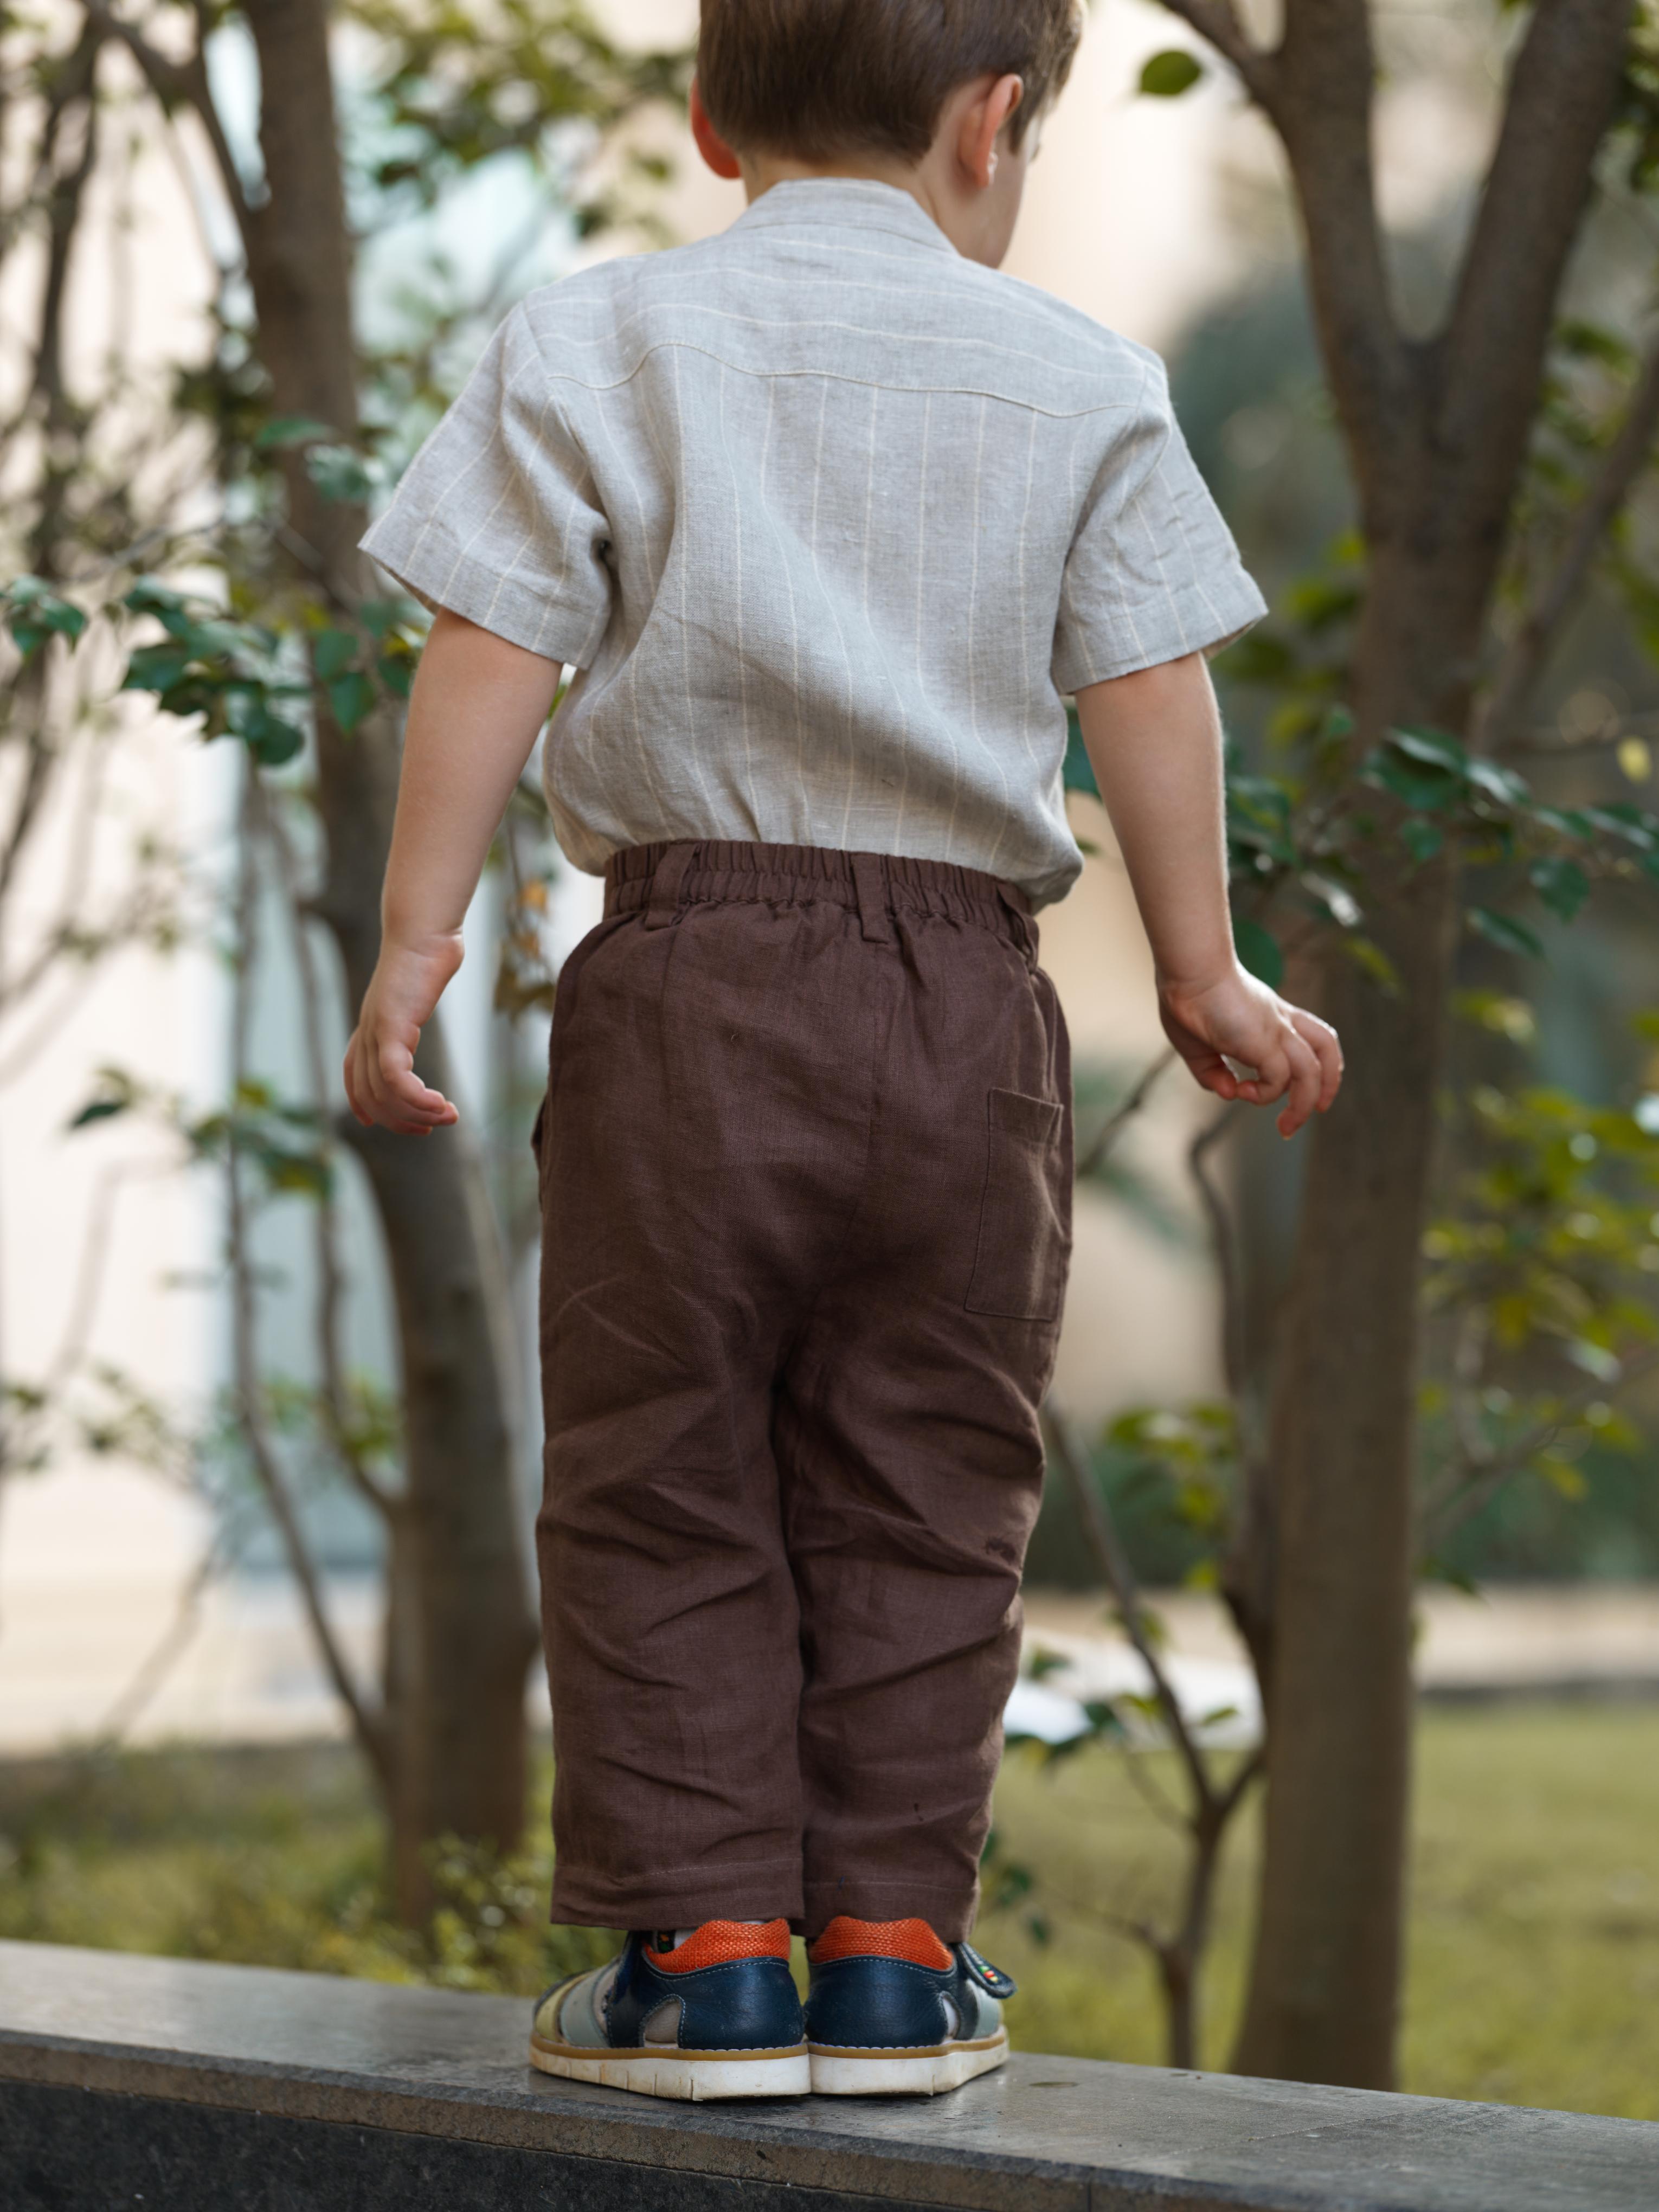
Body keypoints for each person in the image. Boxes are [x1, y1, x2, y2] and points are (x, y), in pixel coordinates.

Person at [344, 0, 1343, 2104]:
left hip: (688, 980)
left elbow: (489, 639)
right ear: (995, 121)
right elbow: (1150, 685)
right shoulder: (1083, 375)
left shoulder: (596, 339)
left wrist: (420, 936)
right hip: (968, 1006)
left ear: (712, 122)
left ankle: (706, 1963)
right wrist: (1202, 966)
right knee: (931, 1471)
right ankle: (893, 1958)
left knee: (662, 1462)